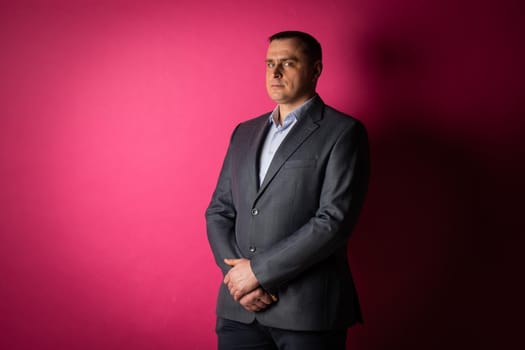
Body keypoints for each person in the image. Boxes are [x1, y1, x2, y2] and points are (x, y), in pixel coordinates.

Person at [205, 30, 370, 350]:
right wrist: (239, 280)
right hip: (239, 310)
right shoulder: (244, 132)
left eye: (288, 63)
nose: (275, 73)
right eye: (269, 64)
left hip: (307, 314)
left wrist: (257, 274)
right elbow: (219, 210)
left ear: (316, 69)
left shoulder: (344, 132)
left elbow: (334, 221)